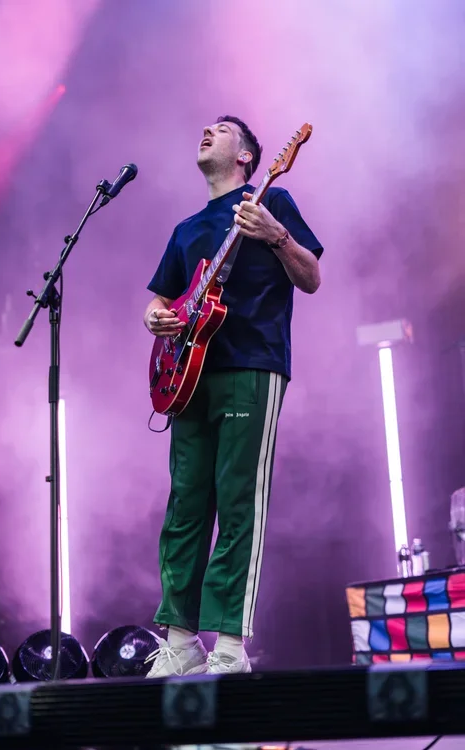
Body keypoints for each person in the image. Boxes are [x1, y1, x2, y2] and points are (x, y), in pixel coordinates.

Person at [143, 116, 323, 677]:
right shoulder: (186, 229)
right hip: (189, 375)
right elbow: (160, 302)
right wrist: (155, 318)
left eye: (221, 129)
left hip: (252, 363)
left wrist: (275, 235)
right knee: (185, 506)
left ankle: (229, 648)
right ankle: (180, 641)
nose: (206, 131)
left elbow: (311, 276)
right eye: (203, 127)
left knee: (238, 504)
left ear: (247, 156)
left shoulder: (275, 198)